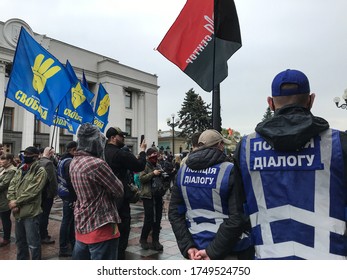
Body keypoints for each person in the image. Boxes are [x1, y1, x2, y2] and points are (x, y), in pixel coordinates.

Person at [230, 69, 347, 259]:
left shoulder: (246, 147)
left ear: (270, 103)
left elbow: (238, 212)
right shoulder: (338, 143)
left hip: (268, 257)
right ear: (311, 100)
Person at [169, 129, 253, 260]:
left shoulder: (183, 171)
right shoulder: (229, 170)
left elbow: (174, 213)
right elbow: (237, 217)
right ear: (220, 145)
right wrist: (212, 251)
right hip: (229, 249)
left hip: (195, 249)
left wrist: (188, 246)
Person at [70, 123, 124, 260]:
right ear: (94, 142)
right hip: (101, 227)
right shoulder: (96, 164)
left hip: (82, 225)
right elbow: (119, 190)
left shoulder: (74, 162)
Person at [104, 126, 147, 259]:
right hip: (120, 198)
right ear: (113, 138)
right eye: (121, 136)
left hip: (105, 196)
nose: (123, 138)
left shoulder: (102, 151)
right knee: (122, 228)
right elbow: (139, 165)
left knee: (108, 229)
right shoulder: (120, 153)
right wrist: (142, 151)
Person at [7, 146, 47, 260]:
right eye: (25, 154)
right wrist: (12, 200)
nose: (26, 157)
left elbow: (33, 191)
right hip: (18, 212)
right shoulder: (21, 169)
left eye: (29, 155)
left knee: (33, 244)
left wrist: (17, 202)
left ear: (36, 157)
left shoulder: (40, 171)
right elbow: (12, 185)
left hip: (30, 212)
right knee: (20, 242)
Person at [139, 148, 170, 251]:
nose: (155, 158)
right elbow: (142, 179)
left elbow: (163, 178)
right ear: (148, 156)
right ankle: (143, 239)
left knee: (158, 219)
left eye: (156, 156)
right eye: (153, 156)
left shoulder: (158, 165)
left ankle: (155, 241)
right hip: (148, 196)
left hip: (158, 195)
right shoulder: (144, 165)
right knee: (149, 218)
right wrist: (153, 173)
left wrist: (164, 176)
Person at [57, 141, 77, 257]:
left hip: (64, 192)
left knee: (68, 220)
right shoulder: (69, 162)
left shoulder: (62, 160)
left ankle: (69, 243)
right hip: (69, 194)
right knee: (67, 221)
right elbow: (71, 182)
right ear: (73, 150)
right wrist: (75, 198)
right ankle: (64, 247)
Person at [38, 147, 58, 244]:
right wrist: (54, 193)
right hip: (47, 193)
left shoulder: (39, 161)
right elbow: (53, 180)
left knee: (40, 214)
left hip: (40, 192)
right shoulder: (48, 163)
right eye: (52, 153)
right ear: (49, 153)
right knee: (44, 215)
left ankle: (40, 233)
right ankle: (43, 235)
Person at [0, 154, 17, 247]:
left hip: (5, 198)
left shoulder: (12, 170)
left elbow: (4, 184)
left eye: (3, 159)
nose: (1, 161)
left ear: (9, 160)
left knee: (5, 218)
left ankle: (6, 238)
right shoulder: (3, 169)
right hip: (1, 198)